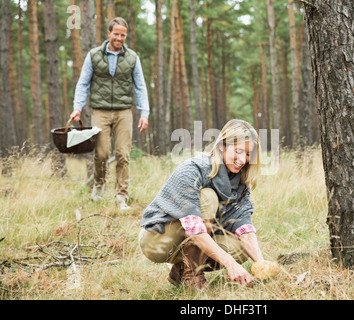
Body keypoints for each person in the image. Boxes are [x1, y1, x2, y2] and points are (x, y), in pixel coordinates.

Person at [139, 119, 267, 290]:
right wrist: (230, 264)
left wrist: (261, 264)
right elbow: (196, 231)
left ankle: (182, 269)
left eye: (249, 154)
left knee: (241, 250)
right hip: (158, 239)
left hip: (189, 239)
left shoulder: (241, 181)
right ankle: (193, 276)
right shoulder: (193, 169)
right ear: (222, 146)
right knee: (208, 196)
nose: (243, 159)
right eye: (238, 151)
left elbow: (244, 225)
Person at [70, 17, 149, 211]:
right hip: (100, 111)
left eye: (123, 35)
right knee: (102, 153)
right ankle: (99, 183)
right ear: (109, 34)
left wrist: (144, 113)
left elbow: (140, 87)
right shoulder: (94, 55)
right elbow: (83, 83)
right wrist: (77, 108)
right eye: (116, 34)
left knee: (123, 154)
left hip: (124, 112)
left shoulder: (132, 58)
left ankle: (121, 196)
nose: (119, 38)